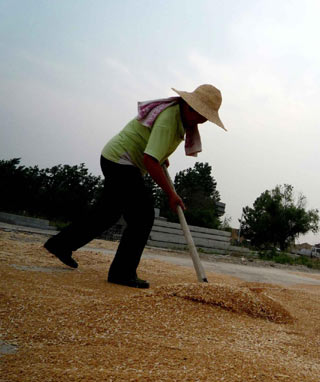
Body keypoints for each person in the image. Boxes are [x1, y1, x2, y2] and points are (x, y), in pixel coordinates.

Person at [44, 84, 226, 288]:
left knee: (108, 213)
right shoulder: (169, 119)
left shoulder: (179, 117)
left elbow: (152, 147)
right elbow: (150, 160)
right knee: (142, 216)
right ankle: (122, 273)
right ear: (190, 108)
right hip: (121, 161)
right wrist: (171, 193)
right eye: (202, 116)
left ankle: (60, 245)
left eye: (206, 118)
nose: (203, 121)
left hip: (116, 158)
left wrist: (162, 154)